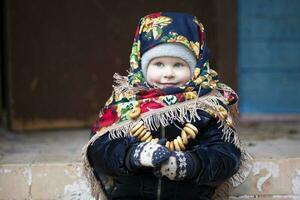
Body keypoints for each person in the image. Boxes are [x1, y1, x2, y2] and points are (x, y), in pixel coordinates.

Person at [82, 12, 251, 200]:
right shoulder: (126, 102)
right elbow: (98, 150)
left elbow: (227, 156)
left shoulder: (207, 105)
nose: (168, 73)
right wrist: (133, 154)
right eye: (159, 64)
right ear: (141, 65)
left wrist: (189, 163)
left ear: (196, 67)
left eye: (178, 65)